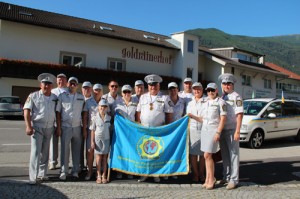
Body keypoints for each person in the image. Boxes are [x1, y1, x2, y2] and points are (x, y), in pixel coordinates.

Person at [136, 74, 173, 183]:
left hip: (158, 130)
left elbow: (169, 114)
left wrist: (167, 128)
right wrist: (139, 125)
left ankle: (156, 173)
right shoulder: (143, 97)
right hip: (145, 129)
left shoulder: (164, 98)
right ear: (148, 86)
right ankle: (144, 173)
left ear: (159, 85)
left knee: (156, 153)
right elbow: (138, 112)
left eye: (155, 85)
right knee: (144, 152)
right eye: (151, 85)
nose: (153, 87)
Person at [24, 73, 57, 184]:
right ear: (40, 85)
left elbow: (57, 113)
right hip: (37, 127)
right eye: (44, 84)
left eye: (49, 84)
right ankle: (33, 177)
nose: (46, 86)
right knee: (35, 153)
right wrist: (28, 126)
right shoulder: (33, 96)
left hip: (49, 127)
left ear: (52, 86)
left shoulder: (54, 98)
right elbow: (26, 110)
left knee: (45, 152)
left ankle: (42, 174)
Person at [56, 77, 87, 181]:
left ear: (77, 86)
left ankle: (75, 171)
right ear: (68, 84)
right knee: (64, 150)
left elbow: (84, 114)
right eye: (71, 83)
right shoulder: (61, 96)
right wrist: (59, 127)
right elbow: (58, 112)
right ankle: (63, 171)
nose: (72, 85)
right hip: (65, 127)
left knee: (77, 150)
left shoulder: (81, 97)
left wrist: (83, 129)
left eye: (74, 84)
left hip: (77, 127)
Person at [218, 73, 244, 190]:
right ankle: (226, 176)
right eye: (224, 83)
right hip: (223, 129)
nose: (226, 85)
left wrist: (237, 131)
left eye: (229, 84)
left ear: (232, 85)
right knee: (225, 155)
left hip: (232, 129)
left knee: (233, 155)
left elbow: (239, 115)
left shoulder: (236, 97)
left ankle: (234, 179)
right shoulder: (222, 97)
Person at [200, 83, 226, 190]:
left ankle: (211, 179)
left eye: (212, 90)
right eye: (208, 90)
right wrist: (191, 116)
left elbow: (223, 119)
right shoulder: (206, 101)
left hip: (213, 131)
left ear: (216, 91)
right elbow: (203, 118)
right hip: (204, 130)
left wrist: (218, 132)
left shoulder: (220, 102)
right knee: (207, 156)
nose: (210, 92)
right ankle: (208, 178)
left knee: (207, 155)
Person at [113, 84, 138, 179]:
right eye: (125, 92)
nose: (127, 94)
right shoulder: (117, 103)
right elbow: (113, 116)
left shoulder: (136, 102)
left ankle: (129, 170)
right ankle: (120, 170)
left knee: (130, 151)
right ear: (122, 93)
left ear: (131, 93)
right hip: (120, 132)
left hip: (132, 131)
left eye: (129, 92)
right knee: (121, 150)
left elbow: (137, 117)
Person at [164, 82, 186, 180]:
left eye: (174, 89)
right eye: (171, 89)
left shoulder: (183, 101)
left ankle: (174, 171)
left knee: (176, 151)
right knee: (167, 151)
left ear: (178, 89)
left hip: (178, 130)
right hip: (167, 129)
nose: (173, 91)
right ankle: (166, 171)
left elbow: (184, 115)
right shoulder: (165, 99)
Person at [83, 83, 104, 180]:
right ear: (93, 91)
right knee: (90, 151)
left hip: (101, 130)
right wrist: (84, 130)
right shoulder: (88, 102)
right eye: (95, 90)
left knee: (100, 152)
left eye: (99, 90)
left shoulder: (104, 102)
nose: (97, 92)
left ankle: (99, 172)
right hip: (91, 129)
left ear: (102, 92)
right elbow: (85, 116)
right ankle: (90, 171)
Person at [186, 82, 205, 183]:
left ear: (202, 90)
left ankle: (201, 174)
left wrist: (193, 117)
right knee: (193, 155)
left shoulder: (207, 101)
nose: (196, 91)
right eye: (195, 89)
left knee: (202, 155)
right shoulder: (190, 102)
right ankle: (195, 174)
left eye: (199, 89)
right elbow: (187, 118)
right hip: (192, 130)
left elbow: (205, 118)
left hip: (204, 130)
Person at [49, 73, 68, 170]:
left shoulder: (69, 91)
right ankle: (53, 162)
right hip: (53, 121)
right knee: (53, 142)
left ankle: (64, 163)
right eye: (59, 80)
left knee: (65, 143)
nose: (61, 81)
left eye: (63, 80)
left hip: (65, 121)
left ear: (66, 81)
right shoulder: (52, 91)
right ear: (56, 81)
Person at [90, 99, 111, 184]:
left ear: (107, 108)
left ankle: (104, 175)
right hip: (98, 139)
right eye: (101, 106)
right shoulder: (94, 118)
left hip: (106, 139)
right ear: (98, 107)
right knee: (98, 158)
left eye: (105, 107)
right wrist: (92, 142)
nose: (103, 108)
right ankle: (98, 175)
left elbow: (111, 129)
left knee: (105, 158)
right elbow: (92, 130)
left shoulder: (109, 118)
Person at [80, 81, 93, 172]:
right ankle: (81, 165)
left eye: (88, 88)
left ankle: (89, 166)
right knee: (79, 147)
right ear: (82, 89)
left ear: (91, 89)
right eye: (84, 88)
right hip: (78, 125)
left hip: (89, 127)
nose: (86, 90)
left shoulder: (94, 100)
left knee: (89, 149)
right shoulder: (79, 98)